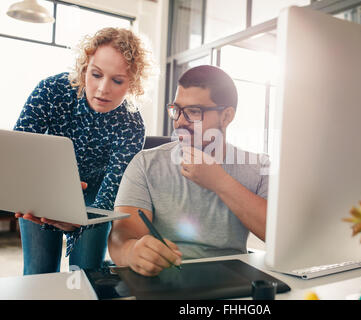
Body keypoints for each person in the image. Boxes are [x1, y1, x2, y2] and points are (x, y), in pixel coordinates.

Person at [14, 27, 152, 275]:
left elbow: (114, 189)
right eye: (96, 74)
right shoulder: (50, 90)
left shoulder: (132, 125)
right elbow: (20, 149)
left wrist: (82, 219)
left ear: (133, 83)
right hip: (43, 185)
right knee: (38, 271)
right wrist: (32, 191)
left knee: (87, 273)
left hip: (96, 196)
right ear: (84, 67)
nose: (102, 89)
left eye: (117, 80)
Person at [109, 65, 269, 276]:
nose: (179, 121)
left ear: (227, 116)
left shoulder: (258, 167)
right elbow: (122, 235)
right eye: (176, 110)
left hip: (232, 278)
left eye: (194, 112)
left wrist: (219, 181)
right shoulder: (145, 163)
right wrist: (132, 252)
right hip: (163, 277)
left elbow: (279, 236)